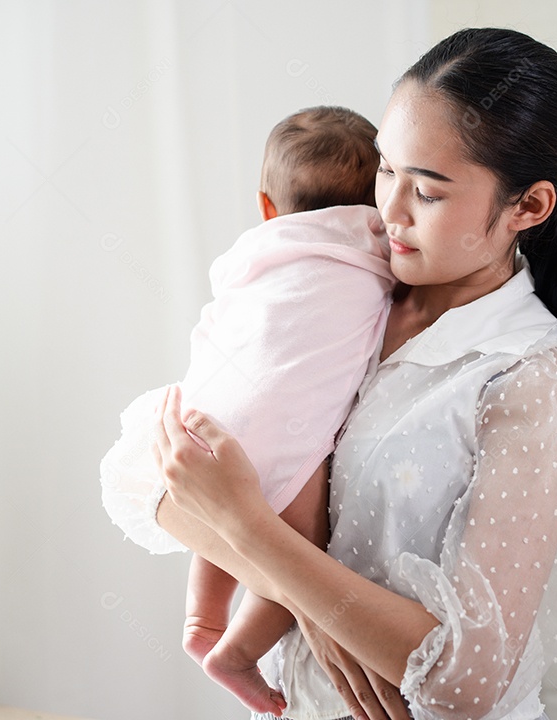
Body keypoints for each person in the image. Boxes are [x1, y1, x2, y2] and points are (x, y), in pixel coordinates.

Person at [153, 27, 557, 720]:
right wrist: (310, 598)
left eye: (428, 190)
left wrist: (256, 536)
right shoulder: (341, 293)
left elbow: (465, 680)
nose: (386, 211)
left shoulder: (533, 376)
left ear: (528, 207)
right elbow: (160, 481)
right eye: (386, 170)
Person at [100, 106, 397, 714]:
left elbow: (223, 317)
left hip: (210, 404)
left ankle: (203, 618)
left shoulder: (255, 250)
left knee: (222, 515)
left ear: (267, 204)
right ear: (379, 196)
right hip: (289, 422)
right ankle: (235, 650)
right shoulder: (380, 244)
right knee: (301, 557)